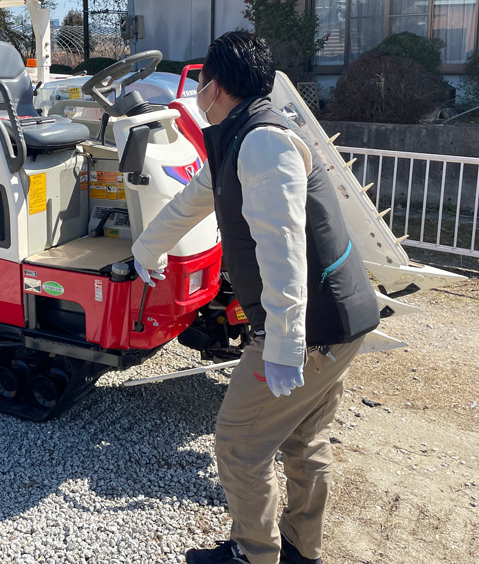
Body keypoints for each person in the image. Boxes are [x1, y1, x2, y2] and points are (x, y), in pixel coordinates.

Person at [131, 31, 380, 564]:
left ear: (214, 86)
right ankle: (299, 548)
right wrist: (145, 249)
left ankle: (254, 554)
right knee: (303, 439)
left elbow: (283, 248)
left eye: (200, 81)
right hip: (340, 317)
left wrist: (285, 344)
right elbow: (194, 199)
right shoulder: (242, 134)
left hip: (312, 328)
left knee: (240, 443)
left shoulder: (263, 142)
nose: (198, 90)